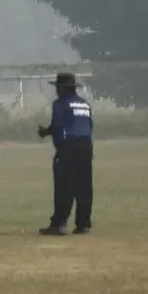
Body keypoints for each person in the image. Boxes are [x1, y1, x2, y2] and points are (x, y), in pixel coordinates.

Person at [38, 71, 94, 236]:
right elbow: (89, 126)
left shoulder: (60, 103)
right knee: (84, 186)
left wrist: (45, 132)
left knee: (64, 185)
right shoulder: (84, 104)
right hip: (86, 146)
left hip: (68, 146)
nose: (56, 91)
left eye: (58, 87)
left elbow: (58, 125)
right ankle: (83, 224)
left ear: (62, 88)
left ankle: (59, 224)